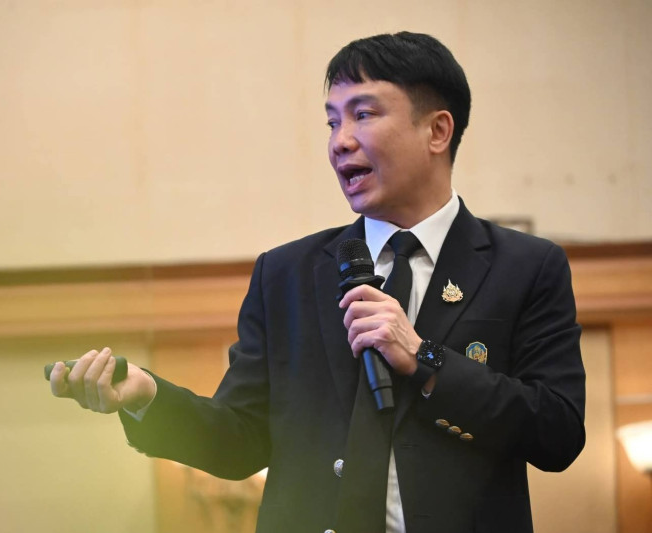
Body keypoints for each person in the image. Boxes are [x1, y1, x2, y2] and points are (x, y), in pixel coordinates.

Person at [50, 31, 585, 533]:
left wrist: (426, 360)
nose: (340, 142)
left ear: (437, 131)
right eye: (332, 122)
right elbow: (239, 442)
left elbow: (558, 433)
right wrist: (149, 398)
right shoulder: (286, 273)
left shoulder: (525, 266)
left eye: (363, 115)